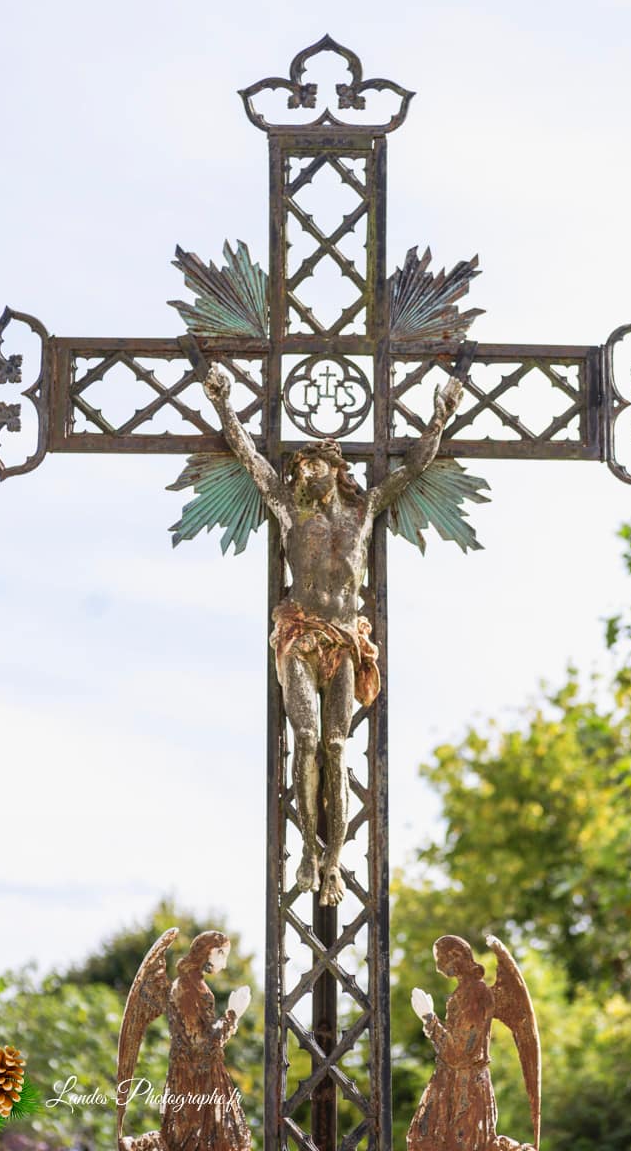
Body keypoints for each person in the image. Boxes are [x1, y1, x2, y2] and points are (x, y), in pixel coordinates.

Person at [203, 364, 463, 905]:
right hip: (299, 636)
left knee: (338, 746)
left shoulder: (365, 510)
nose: (300, 476)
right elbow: (251, 459)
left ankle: (334, 862)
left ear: (335, 467)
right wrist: (224, 401)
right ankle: (304, 852)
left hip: (344, 640)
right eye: (296, 470)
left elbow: (414, 468)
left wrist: (441, 415)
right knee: (305, 741)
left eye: (311, 466)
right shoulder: (289, 511)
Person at [120, 930, 251, 1151]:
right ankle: (137, 1146)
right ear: (210, 952)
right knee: (189, 1140)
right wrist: (232, 1014)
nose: (225, 964)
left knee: (204, 1141)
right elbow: (201, 1043)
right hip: (193, 1078)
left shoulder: (194, 986)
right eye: (223, 955)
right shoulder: (188, 988)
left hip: (199, 1075)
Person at [408, 935, 537, 1151]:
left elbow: (460, 1053)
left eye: (439, 959)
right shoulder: (464, 993)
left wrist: (429, 1018)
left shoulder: (475, 993)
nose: (438, 967)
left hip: (467, 1089)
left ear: (455, 956)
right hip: (455, 1084)